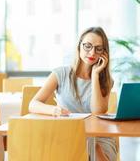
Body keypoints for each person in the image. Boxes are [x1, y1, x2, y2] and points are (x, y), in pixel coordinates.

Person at [29, 27, 117, 161]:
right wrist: (54, 110)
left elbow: (98, 111)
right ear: (79, 46)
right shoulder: (60, 74)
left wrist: (95, 75)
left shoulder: (105, 80)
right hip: (67, 134)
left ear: (104, 52)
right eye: (88, 46)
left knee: (95, 149)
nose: (92, 52)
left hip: (98, 136)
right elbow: (33, 104)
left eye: (98, 48)